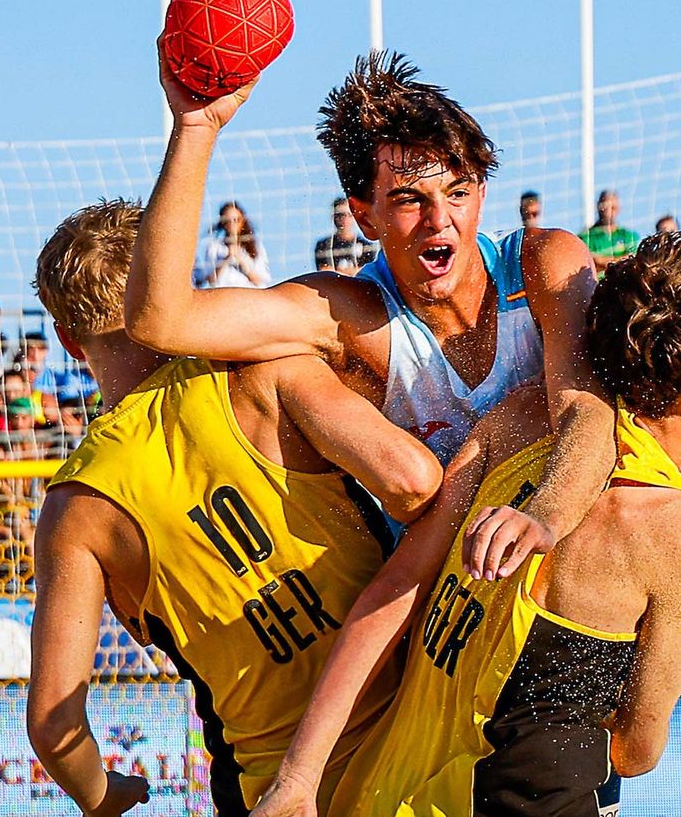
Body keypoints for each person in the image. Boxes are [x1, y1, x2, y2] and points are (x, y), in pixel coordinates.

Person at [251, 233, 681, 817]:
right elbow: (636, 749)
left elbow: (397, 588)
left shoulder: (519, 415)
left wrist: (300, 773)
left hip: (393, 789)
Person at [124, 48, 615, 577]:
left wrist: (542, 517)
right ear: (364, 217)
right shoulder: (350, 316)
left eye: (457, 192)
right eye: (408, 199)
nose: (438, 220)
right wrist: (196, 129)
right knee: (272, 371)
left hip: (571, 542)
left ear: (481, 193)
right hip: (446, 592)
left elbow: (586, 412)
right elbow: (161, 319)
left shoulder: (544, 263)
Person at [24, 199, 443, 816]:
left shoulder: (75, 510)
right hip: (422, 734)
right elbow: (412, 481)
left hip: (271, 789)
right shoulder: (262, 371)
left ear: (66, 337)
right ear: (176, 286)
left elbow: (52, 722)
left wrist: (100, 793)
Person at [194, 200, 272, 288]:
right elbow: (209, 281)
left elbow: (261, 282)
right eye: (228, 220)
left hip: (249, 296)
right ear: (223, 223)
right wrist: (226, 259)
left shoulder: (255, 247)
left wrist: (242, 264)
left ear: (243, 221)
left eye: (236, 220)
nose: (232, 224)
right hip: (223, 296)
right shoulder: (214, 247)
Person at [580, 189, 640, 276]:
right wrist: (619, 260)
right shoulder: (585, 237)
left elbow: (632, 260)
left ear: (618, 208)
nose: (608, 211)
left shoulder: (629, 236)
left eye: (613, 207)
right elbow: (588, 262)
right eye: (605, 206)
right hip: (596, 285)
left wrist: (601, 261)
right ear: (597, 206)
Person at [314, 196, 378, 275]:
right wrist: (352, 271)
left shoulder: (366, 245)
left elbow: (367, 273)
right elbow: (324, 272)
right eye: (340, 215)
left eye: (348, 214)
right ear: (333, 217)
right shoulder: (324, 245)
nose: (344, 219)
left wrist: (339, 271)